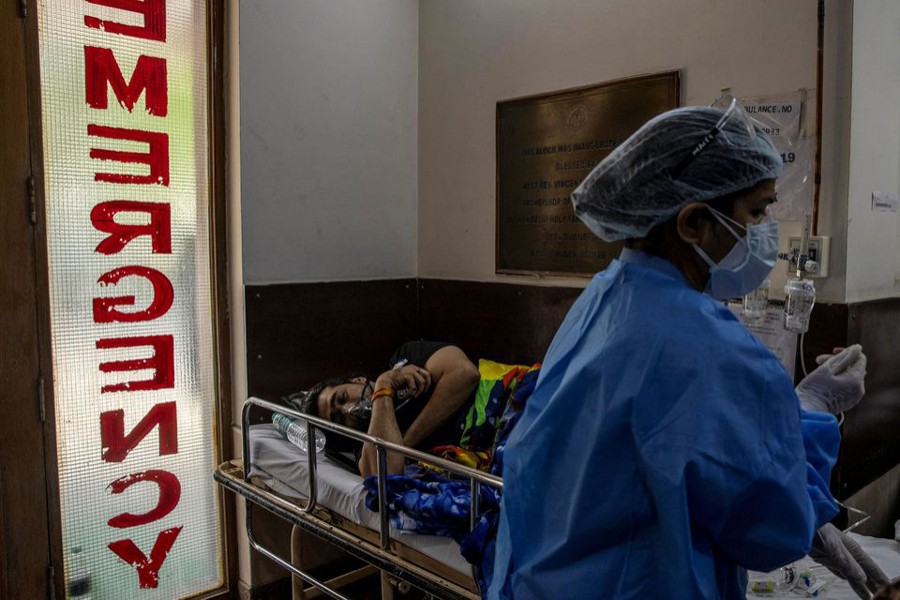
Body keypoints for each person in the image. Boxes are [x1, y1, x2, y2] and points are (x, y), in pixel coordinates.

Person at [488, 99, 877, 599]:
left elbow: (671, 448)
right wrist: (814, 409)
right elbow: (771, 528)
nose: (764, 234)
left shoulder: (603, 299)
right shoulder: (707, 344)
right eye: (756, 212)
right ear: (693, 224)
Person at [297, 341, 480, 477]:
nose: (347, 409)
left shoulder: (406, 359)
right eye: (339, 418)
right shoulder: (366, 449)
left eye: (342, 397)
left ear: (358, 379)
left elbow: (465, 373)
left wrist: (403, 445)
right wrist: (383, 388)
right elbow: (384, 475)